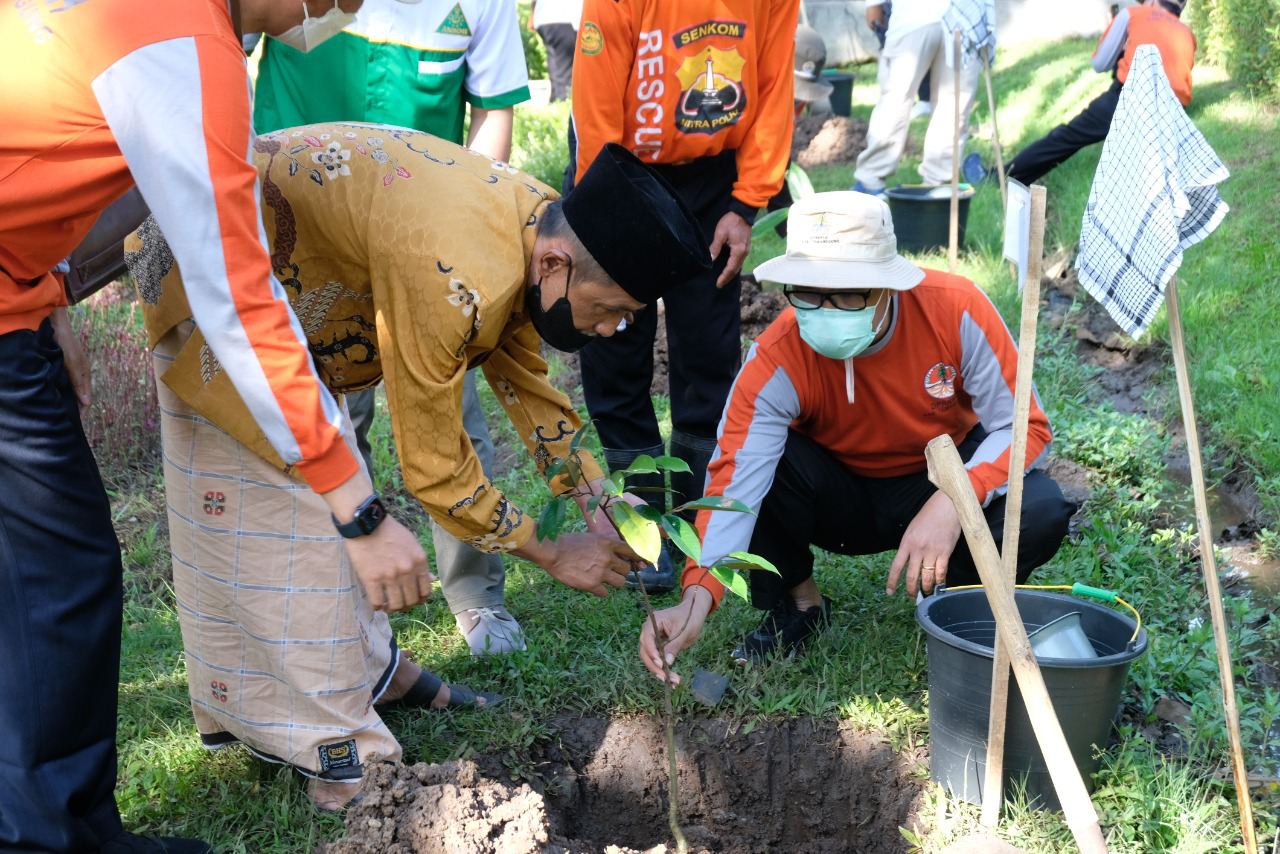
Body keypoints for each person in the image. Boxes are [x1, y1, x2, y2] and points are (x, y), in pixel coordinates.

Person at [124, 130, 711, 810]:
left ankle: (381, 672)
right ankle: (342, 762)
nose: (613, 330)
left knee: (333, 499)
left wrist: (589, 491)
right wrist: (552, 552)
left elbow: (519, 367)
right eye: (611, 311)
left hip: (290, 292)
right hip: (210, 274)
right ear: (555, 265)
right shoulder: (456, 273)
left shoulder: (542, 224)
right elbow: (433, 467)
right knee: (303, 524)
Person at [0, 0, 442, 850]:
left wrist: (41, 296)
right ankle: (45, 837)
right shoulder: (184, 45)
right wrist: (359, 510)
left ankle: (69, 827)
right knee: (53, 581)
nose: (336, 14)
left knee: (42, 578)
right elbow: (240, 300)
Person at [638, 192, 1074, 678]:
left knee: (1039, 507)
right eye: (807, 292)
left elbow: (1026, 426)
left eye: (849, 294)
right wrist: (697, 596)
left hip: (938, 474)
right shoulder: (777, 355)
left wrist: (956, 497)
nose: (826, 310)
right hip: (838, 495)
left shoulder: (955, 308)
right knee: (763, 465)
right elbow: (733, 481)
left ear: (888, 285)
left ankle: (953, 601)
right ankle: (800, 604)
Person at [251, 0, 535, 655]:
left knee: (452, 416)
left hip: (422, 244)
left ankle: (476, 597)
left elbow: (492, 113)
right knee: (324, 420)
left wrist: (465, 225)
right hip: (304, 239)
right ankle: (336, 602)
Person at [567, 0, 802, 592]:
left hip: (714, 183)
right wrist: (613, 226)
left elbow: (774, 88)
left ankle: (701, 522)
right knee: (616, 349)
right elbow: (595, 113)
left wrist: (746, 204)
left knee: (707, 352)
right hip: (622, 176)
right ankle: (644, 527)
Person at [1005, 0, 1194, 186]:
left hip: (1131, 98)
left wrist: (1122, 47)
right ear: (1181, 7)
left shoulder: (1133, 13)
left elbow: (1100, 64)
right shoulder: (1188, 35)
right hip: (1173, 112)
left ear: (1151, 1)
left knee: (1066, 137)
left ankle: (1005, 175)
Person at [852, 0, 979, 195]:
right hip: (923, 15)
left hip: (964, 18)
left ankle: (938, 184)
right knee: (896, 100)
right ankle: (872, 182)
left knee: (952, 105)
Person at [529, 0, 583, 102]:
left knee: (555, 58)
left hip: (544, 19)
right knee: (564, 62)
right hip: (562, 17)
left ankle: (556, 97)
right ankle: (563, 98)